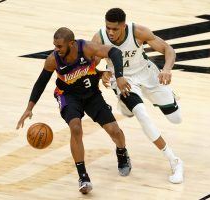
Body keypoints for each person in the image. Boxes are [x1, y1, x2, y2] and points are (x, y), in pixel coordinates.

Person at [16, 27, 132, 194]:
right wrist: (29, 108)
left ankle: (122, 152)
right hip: (68, 96)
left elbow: (114, 52)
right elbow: (41, 82)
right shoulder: (53, 60)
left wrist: (119, 76)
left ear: (71, 43)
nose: (56, 49)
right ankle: (83, 176)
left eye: (59, 46)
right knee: (76, 128)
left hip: (92, 94)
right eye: (54, 45)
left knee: (115, 131)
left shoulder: (87, 48)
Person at [91, 8, 184, 184]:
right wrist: (99, 73)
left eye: (115, 29)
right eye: (108, 27)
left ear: (124, 26)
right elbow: (88, 64)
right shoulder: (99, 39)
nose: (110, 32)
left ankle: (132, 104)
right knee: (141, 114)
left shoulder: (138, 32)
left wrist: (167, 69)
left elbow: (168, 49)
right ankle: (175, 161)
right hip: (123, 81)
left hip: (147, 74)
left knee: (176, 119)